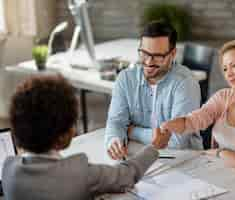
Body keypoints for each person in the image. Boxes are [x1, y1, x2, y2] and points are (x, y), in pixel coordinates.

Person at [2, 75, 164, 200]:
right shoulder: (79, 173)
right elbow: (127, 175)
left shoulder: (8, 170)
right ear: (65, 133)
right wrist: (154, 146)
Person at [161, 39, 235, 171]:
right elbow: (196, 119)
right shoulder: (224, 97)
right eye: (225, 68)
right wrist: (171, 125)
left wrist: (219, 152)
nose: (229, 74)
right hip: (222, 171)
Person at [105, 21, 201, 160]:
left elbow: (176, 142)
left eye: (157, 56)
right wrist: (113, 140)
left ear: (173, 53)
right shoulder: (125, 78)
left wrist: (132, 131)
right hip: (140, 156)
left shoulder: (186, 83)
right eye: (144, 53)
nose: (149, 62)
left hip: (183, 161)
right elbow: (116, 122)